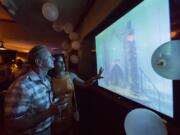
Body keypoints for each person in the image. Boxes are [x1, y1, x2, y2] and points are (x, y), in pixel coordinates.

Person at [3, 45, 63, 135]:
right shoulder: (22, 86)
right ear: (39, 62)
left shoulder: (47, 80)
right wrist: (49, 112)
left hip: (47, 129)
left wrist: (54, 106)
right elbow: (12, 124)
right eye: (49, 57)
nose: (53, 59)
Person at [50, 54, 103, 135]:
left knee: (71, 131)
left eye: (63, 62)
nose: (63, 64)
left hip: (71, 111)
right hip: (57, 114)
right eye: (60, 62)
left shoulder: (70, 75)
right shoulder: (49, 79)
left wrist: (95, 78)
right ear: (53, 64)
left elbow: (85, 84)